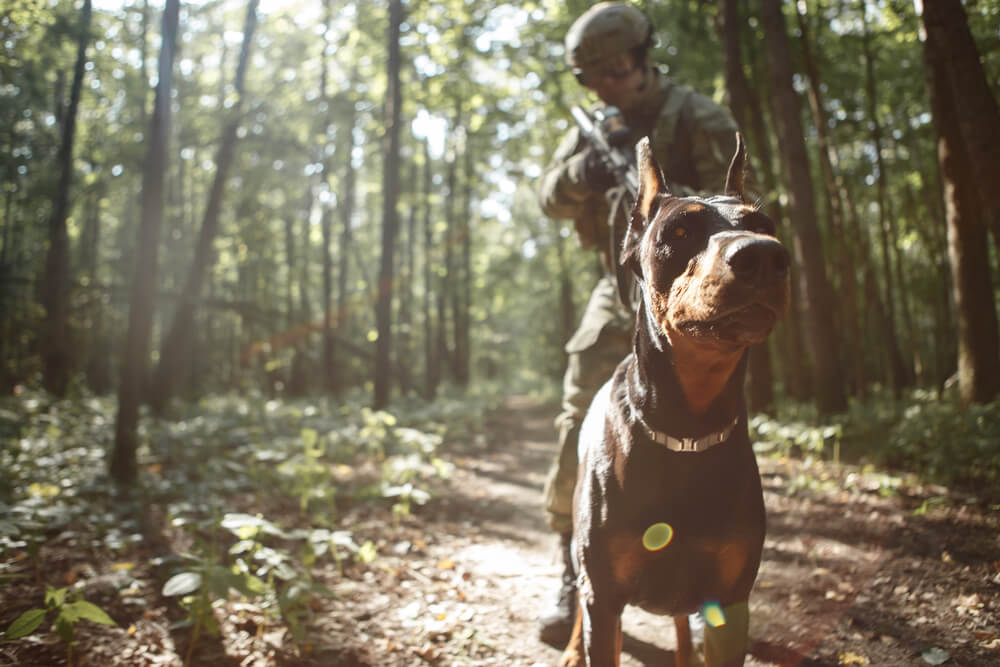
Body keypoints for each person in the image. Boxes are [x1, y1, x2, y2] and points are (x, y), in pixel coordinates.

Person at [535, 1, 746, 645]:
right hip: (616, 287)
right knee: (580, 412)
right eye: (590, 74)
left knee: (714, 419)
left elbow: (738, 206)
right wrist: (582, 172)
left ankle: (714, 564)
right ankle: (576, 569)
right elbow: (546, 195)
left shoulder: (699, 117)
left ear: (641, 55)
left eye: (614, 66)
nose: (605, 82)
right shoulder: (595, 127)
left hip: (691, 288)